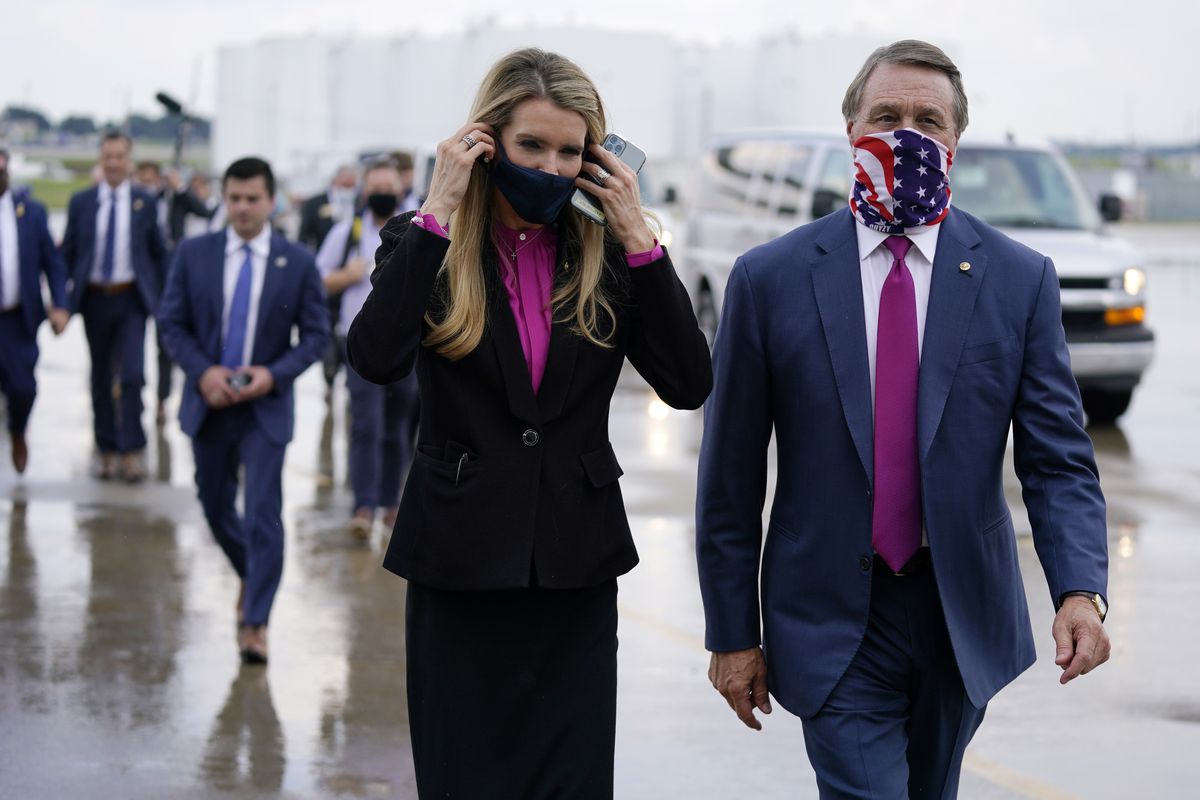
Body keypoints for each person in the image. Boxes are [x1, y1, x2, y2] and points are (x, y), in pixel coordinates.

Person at [695, 40, 1111, 799]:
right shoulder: (769, 280)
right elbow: (728, 480)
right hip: (827, 612)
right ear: (850, 129)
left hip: (960, 614)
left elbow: (1057, 461)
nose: (906, 134)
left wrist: (1079, 589)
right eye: (885, 116)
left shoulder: (1019, 280)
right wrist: (732, 634)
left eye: (928, 120)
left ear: (955, 142)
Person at [347, 47, 712, 799]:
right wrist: (438, 211)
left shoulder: (609, 255)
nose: (550, 167)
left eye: (570, 151)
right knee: (464, 782)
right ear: (486, 143)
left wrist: (641, 237)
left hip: (575, 573)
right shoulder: (427, 243)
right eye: (531, 146)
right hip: (458, 566)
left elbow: (688, 382)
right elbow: (376, 358)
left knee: (571, 785)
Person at [158, 156, 329, 664]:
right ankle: (252, 576)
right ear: (224, 198)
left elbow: (317, 336)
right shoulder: (194, 254)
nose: (243, 208)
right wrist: (203, 373)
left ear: (271, 201)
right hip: (210, 401)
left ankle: (255, 623)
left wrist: (272, 375)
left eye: (253, 198)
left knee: (262, 514)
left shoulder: (296, 262)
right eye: (234, 198)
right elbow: (171, 324)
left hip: (264, 408)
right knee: (214, 505)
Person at [316, 159, 419, 537]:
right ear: (364, 192)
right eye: (376, 187)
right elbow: (318, 280)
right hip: (357, 344)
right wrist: (347, 276)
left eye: (389, 187)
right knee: (366, 426)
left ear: (400, 191)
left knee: (397, 429)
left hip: (408, 346)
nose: (383, 194)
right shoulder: (346, 233)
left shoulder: (417, 229)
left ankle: (391, 505)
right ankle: (363, 506)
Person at [61, 131, 167, 482]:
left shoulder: (145, 203)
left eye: (120, 156)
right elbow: (69, 252)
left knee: (133, 375)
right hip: (93, 299)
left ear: (129, 160)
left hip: (131, 299)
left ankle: (131, 449)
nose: (113, 163)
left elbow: (158, 254)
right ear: (100, 159)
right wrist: (61, 302)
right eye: (108, 156)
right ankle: (106, 448)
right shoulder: (82, 202)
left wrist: (167, 302)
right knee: (101, 376)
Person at [0, 148, 70, 473]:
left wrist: (60, 304)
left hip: (18, 318)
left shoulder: (31, 212)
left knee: (22, 388)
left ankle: (18, 429)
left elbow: (52, 263)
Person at [301, 165, 360, 401]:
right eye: (344, 181)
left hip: (355, 278)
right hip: (326, 276)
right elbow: (304, 238)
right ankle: (329, 376)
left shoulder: (360, 204)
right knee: (326, 330)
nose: (348, 186)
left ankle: (349, 378)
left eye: (351, 182)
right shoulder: (315, 203)